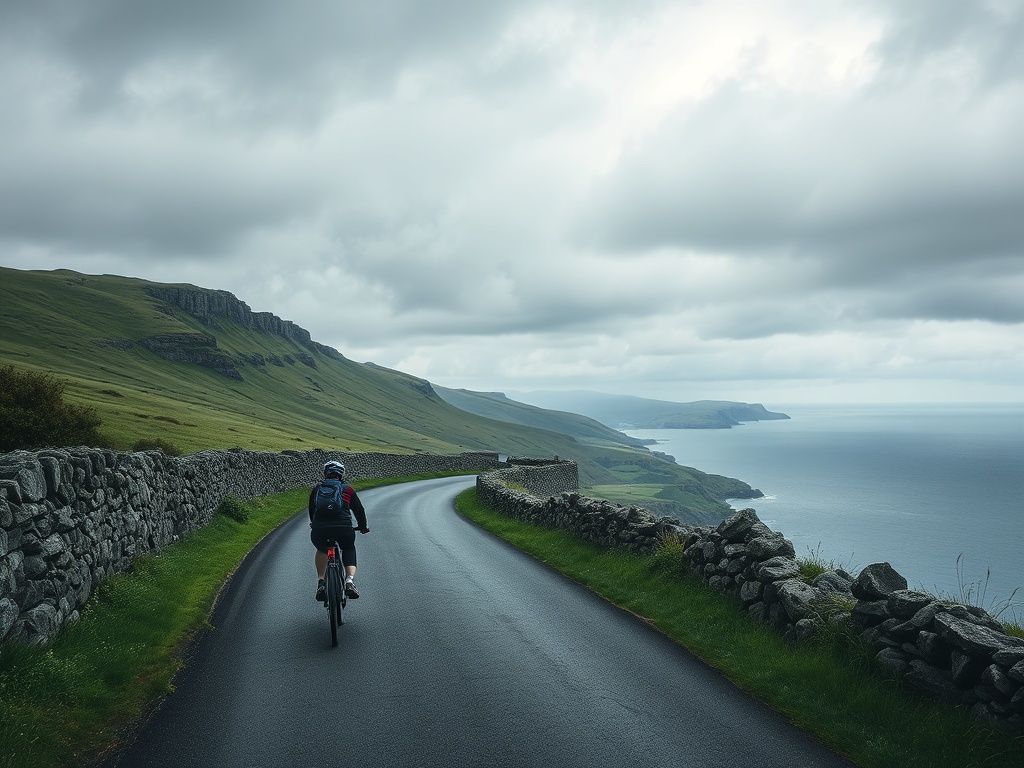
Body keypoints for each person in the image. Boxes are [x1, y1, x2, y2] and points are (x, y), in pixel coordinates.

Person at [309, 460, 369, 601]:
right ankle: (349, 581)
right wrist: (363, 526)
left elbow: (312, 510)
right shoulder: (348, 489)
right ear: (341, 475)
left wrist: (315, 525)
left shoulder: (317, 489)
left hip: (320, 530)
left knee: (322, 550)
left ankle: (321, 581)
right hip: (344, 528)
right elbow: (359, 510)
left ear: (326, 473)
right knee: (348, 548)